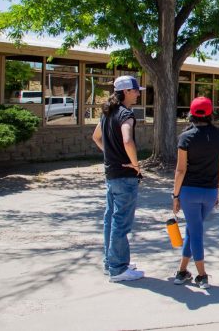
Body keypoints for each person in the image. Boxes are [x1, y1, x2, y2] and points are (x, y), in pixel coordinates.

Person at [91, 75, 146, 282]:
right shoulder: (126, 114)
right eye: (135, 90)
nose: (138, 94)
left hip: (111, 174)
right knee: (121, 222)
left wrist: (111, 154)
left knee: (110, 220)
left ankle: (112, 262)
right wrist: (135, 164)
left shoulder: (107, 113)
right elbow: (127, 140)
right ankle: (118, 269)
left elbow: (96, 137)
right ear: (126, 92)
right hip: (125, 176)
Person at [171, 97, 219, 288]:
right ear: (211, 113)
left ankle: (202, 275)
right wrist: (217, 190)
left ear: (191, 114)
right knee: (192, 229)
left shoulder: (186, 137)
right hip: (210, 192)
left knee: (195, 232)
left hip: (189, 192)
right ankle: (181, 271)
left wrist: (175, 195)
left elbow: (180, 170)